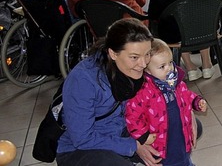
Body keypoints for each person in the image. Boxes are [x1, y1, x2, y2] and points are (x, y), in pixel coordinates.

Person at [56, 18, 160, 166]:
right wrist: (133, 146)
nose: (143, 64)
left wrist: (185, 114)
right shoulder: (83, 80)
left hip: (123, 133)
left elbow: (168, 92)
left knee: (178, 137)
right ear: (113, 53)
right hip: (80, 149)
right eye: (134, 57)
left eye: (148, 54)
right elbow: (82, 138)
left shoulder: (136, 66)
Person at [125, 39, 207, 166]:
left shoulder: (175, 82)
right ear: (148, 70)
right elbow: (133, 116)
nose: (169, 68)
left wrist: (196, 101)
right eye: (162, 66)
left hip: (179, 130)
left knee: (183, 155)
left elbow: (187, 95)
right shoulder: (143, 92)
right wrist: (143, 136)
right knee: (169, 161)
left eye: (170, 63)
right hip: (160, 141)